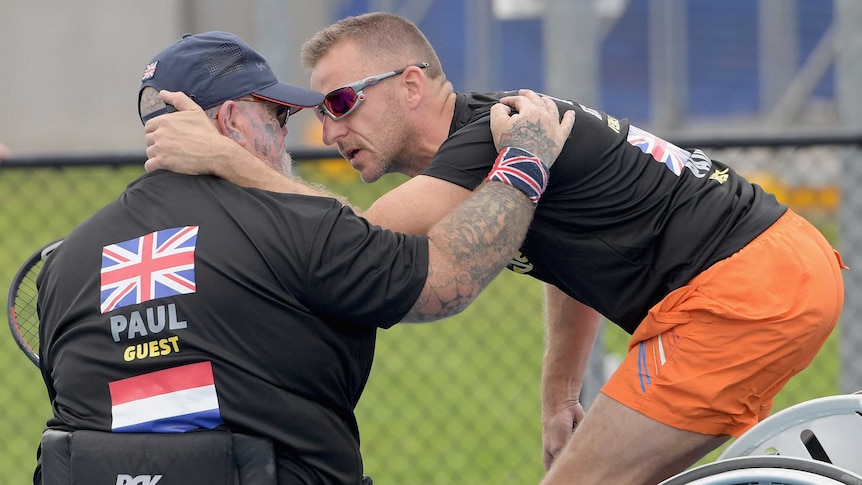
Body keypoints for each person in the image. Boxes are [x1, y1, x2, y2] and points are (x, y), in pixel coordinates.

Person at [142, 13, 847, 485]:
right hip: (769, 271)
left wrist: (225, 158)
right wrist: (558, 393)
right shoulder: (503, 140)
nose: (328, 132)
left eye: (340, 103)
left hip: (742, 288)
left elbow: (352, 239)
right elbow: (574, 259)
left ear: (411, 84)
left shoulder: (488, 138)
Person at [35, 31, 574, 485]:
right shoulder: (296, 226)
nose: (292, 136)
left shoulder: (65, 263)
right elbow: (447, 279)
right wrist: (524, 162)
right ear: (232, 120)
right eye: (277, 116)